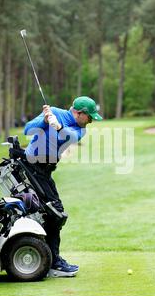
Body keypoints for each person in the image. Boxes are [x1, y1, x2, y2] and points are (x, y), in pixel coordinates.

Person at [23, 96, 102, 277]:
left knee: (52, 213)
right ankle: (53, 263)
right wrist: (43, 121)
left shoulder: (80, 129)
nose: (90, 121)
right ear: (79, 113)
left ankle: (47, 258)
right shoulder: (55, 113)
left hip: (45, 171)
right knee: (55, 212)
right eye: (89, 117)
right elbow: (27, 129)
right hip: (31, 166)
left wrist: (57, 127)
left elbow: (69, 137)